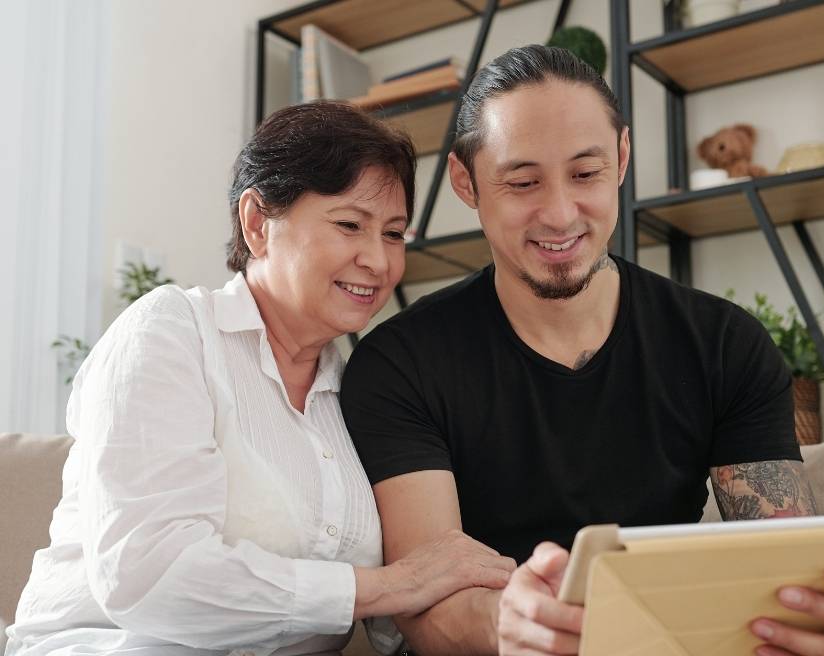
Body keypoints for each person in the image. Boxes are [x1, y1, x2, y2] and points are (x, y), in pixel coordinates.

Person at [340, 46, 824, 656]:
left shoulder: (724, 344)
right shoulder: (400, 364)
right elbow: (428, 607)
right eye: (522, 182)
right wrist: (510, 622)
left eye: (586, 174)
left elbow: (784, 568)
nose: (561, 213)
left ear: (621, 158)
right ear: (466, 182)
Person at [5, 102, 516, 656]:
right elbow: (147, 575)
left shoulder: (359, 393)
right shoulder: (171, 331)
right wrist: (391, 586)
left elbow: (397, 612)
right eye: (349, 224)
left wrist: (494, 599)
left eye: (394, 234)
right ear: (256, 223)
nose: (378, 260)